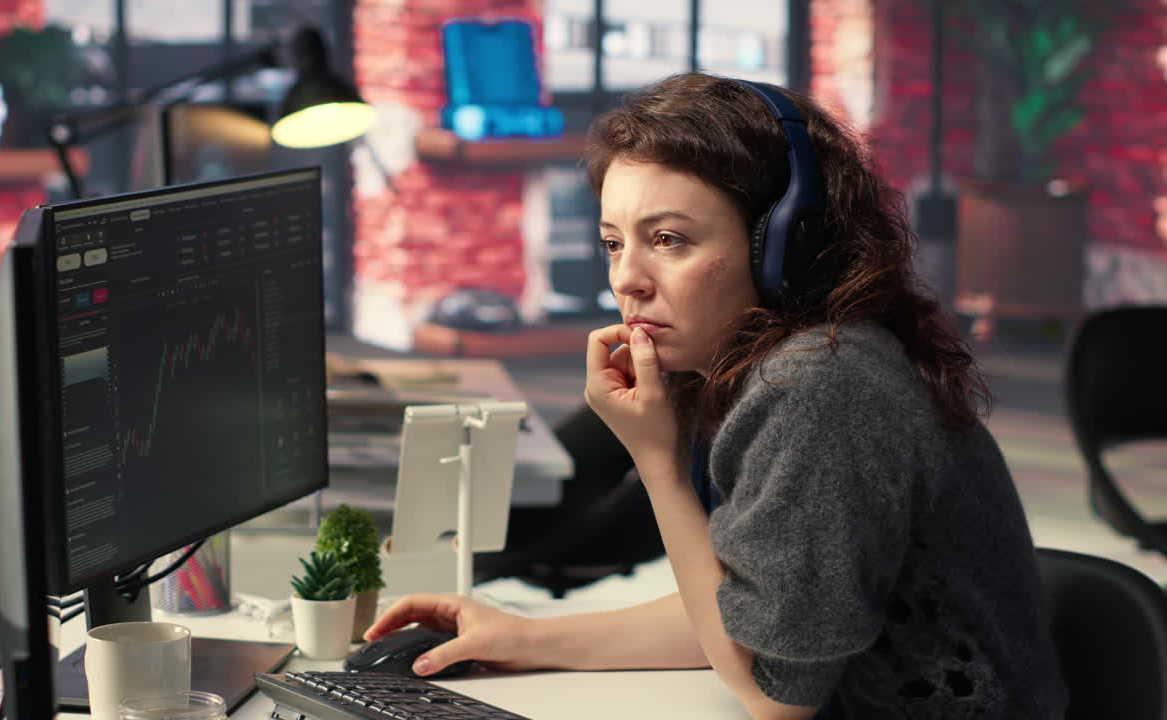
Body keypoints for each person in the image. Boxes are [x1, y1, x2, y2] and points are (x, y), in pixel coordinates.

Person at [365, 73, 1068, 719]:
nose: (627, 279)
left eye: (668, 239)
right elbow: (752, 616)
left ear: (783, 246)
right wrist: (524, 639)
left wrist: (658, 462)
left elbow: (773, 688)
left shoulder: (821, 384)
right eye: (614, 243)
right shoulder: (748, 367)